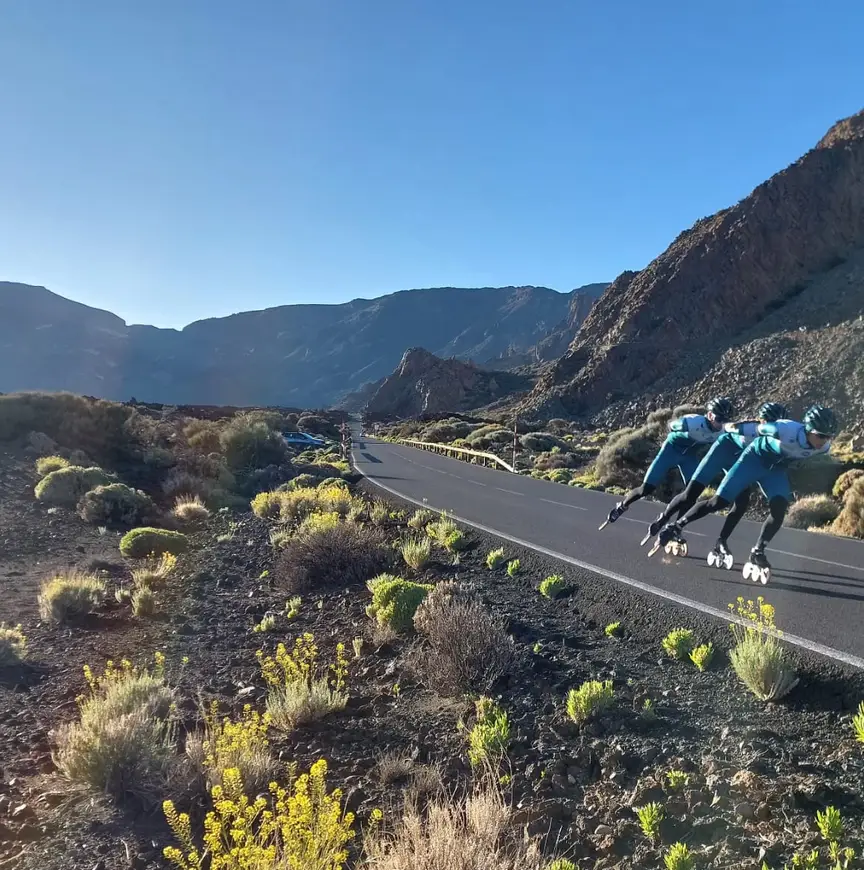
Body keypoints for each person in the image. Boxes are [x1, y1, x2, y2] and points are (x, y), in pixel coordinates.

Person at [653, 405, 839, 580]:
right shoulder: (783, 429)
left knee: (779, 509)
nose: (824, 441)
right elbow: (745, 428)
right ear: (808, 429)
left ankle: (757, 552)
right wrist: (733, 427)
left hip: (775, 471)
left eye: (829, 437)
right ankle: (677, 525)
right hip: (752, 461)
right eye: (821, 436)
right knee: (719, 501)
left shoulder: (824, 447)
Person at [641, 401, 789, 563]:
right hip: (723, 450)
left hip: (745, 459)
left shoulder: (787, 434)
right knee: (692, 493)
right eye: (771, 423)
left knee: (742, 501)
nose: (776, 428)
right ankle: (666, 520)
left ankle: (721, 542)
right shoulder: (751, 428)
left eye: (779, 424)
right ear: (761, 421)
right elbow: (726, 427)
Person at [600, 397, 735, 529]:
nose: (721, 424)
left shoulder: (722, 431)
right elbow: (671, 425)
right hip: (671, 451)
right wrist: (678, 425)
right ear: (710, 415)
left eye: (725, 420)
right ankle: (623, 505)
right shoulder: (693, 421)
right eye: (719, 419)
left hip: (689, 456)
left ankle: (675, 528)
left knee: (691, 494)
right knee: (647, 488)